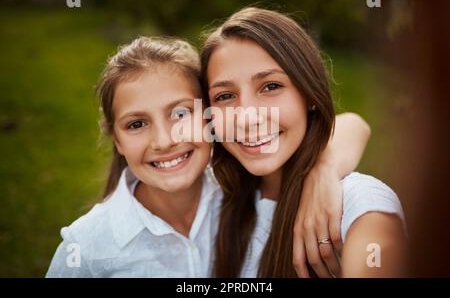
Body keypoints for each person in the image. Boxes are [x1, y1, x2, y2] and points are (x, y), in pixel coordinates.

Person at [46, 35, 369, 277]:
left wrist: (322, 169)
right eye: (137, 124)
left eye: (182, 113)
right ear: (117, 140)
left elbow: (353, 124)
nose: (164, 140)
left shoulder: (245, 185)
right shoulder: (87, 247)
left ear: (210, 116)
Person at [200, 7, 407, 277]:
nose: (247, 118)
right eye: (225, 96)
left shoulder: (356, 200)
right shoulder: (212, 196)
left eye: (271, 86)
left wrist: (325, 167)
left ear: (308, 93)